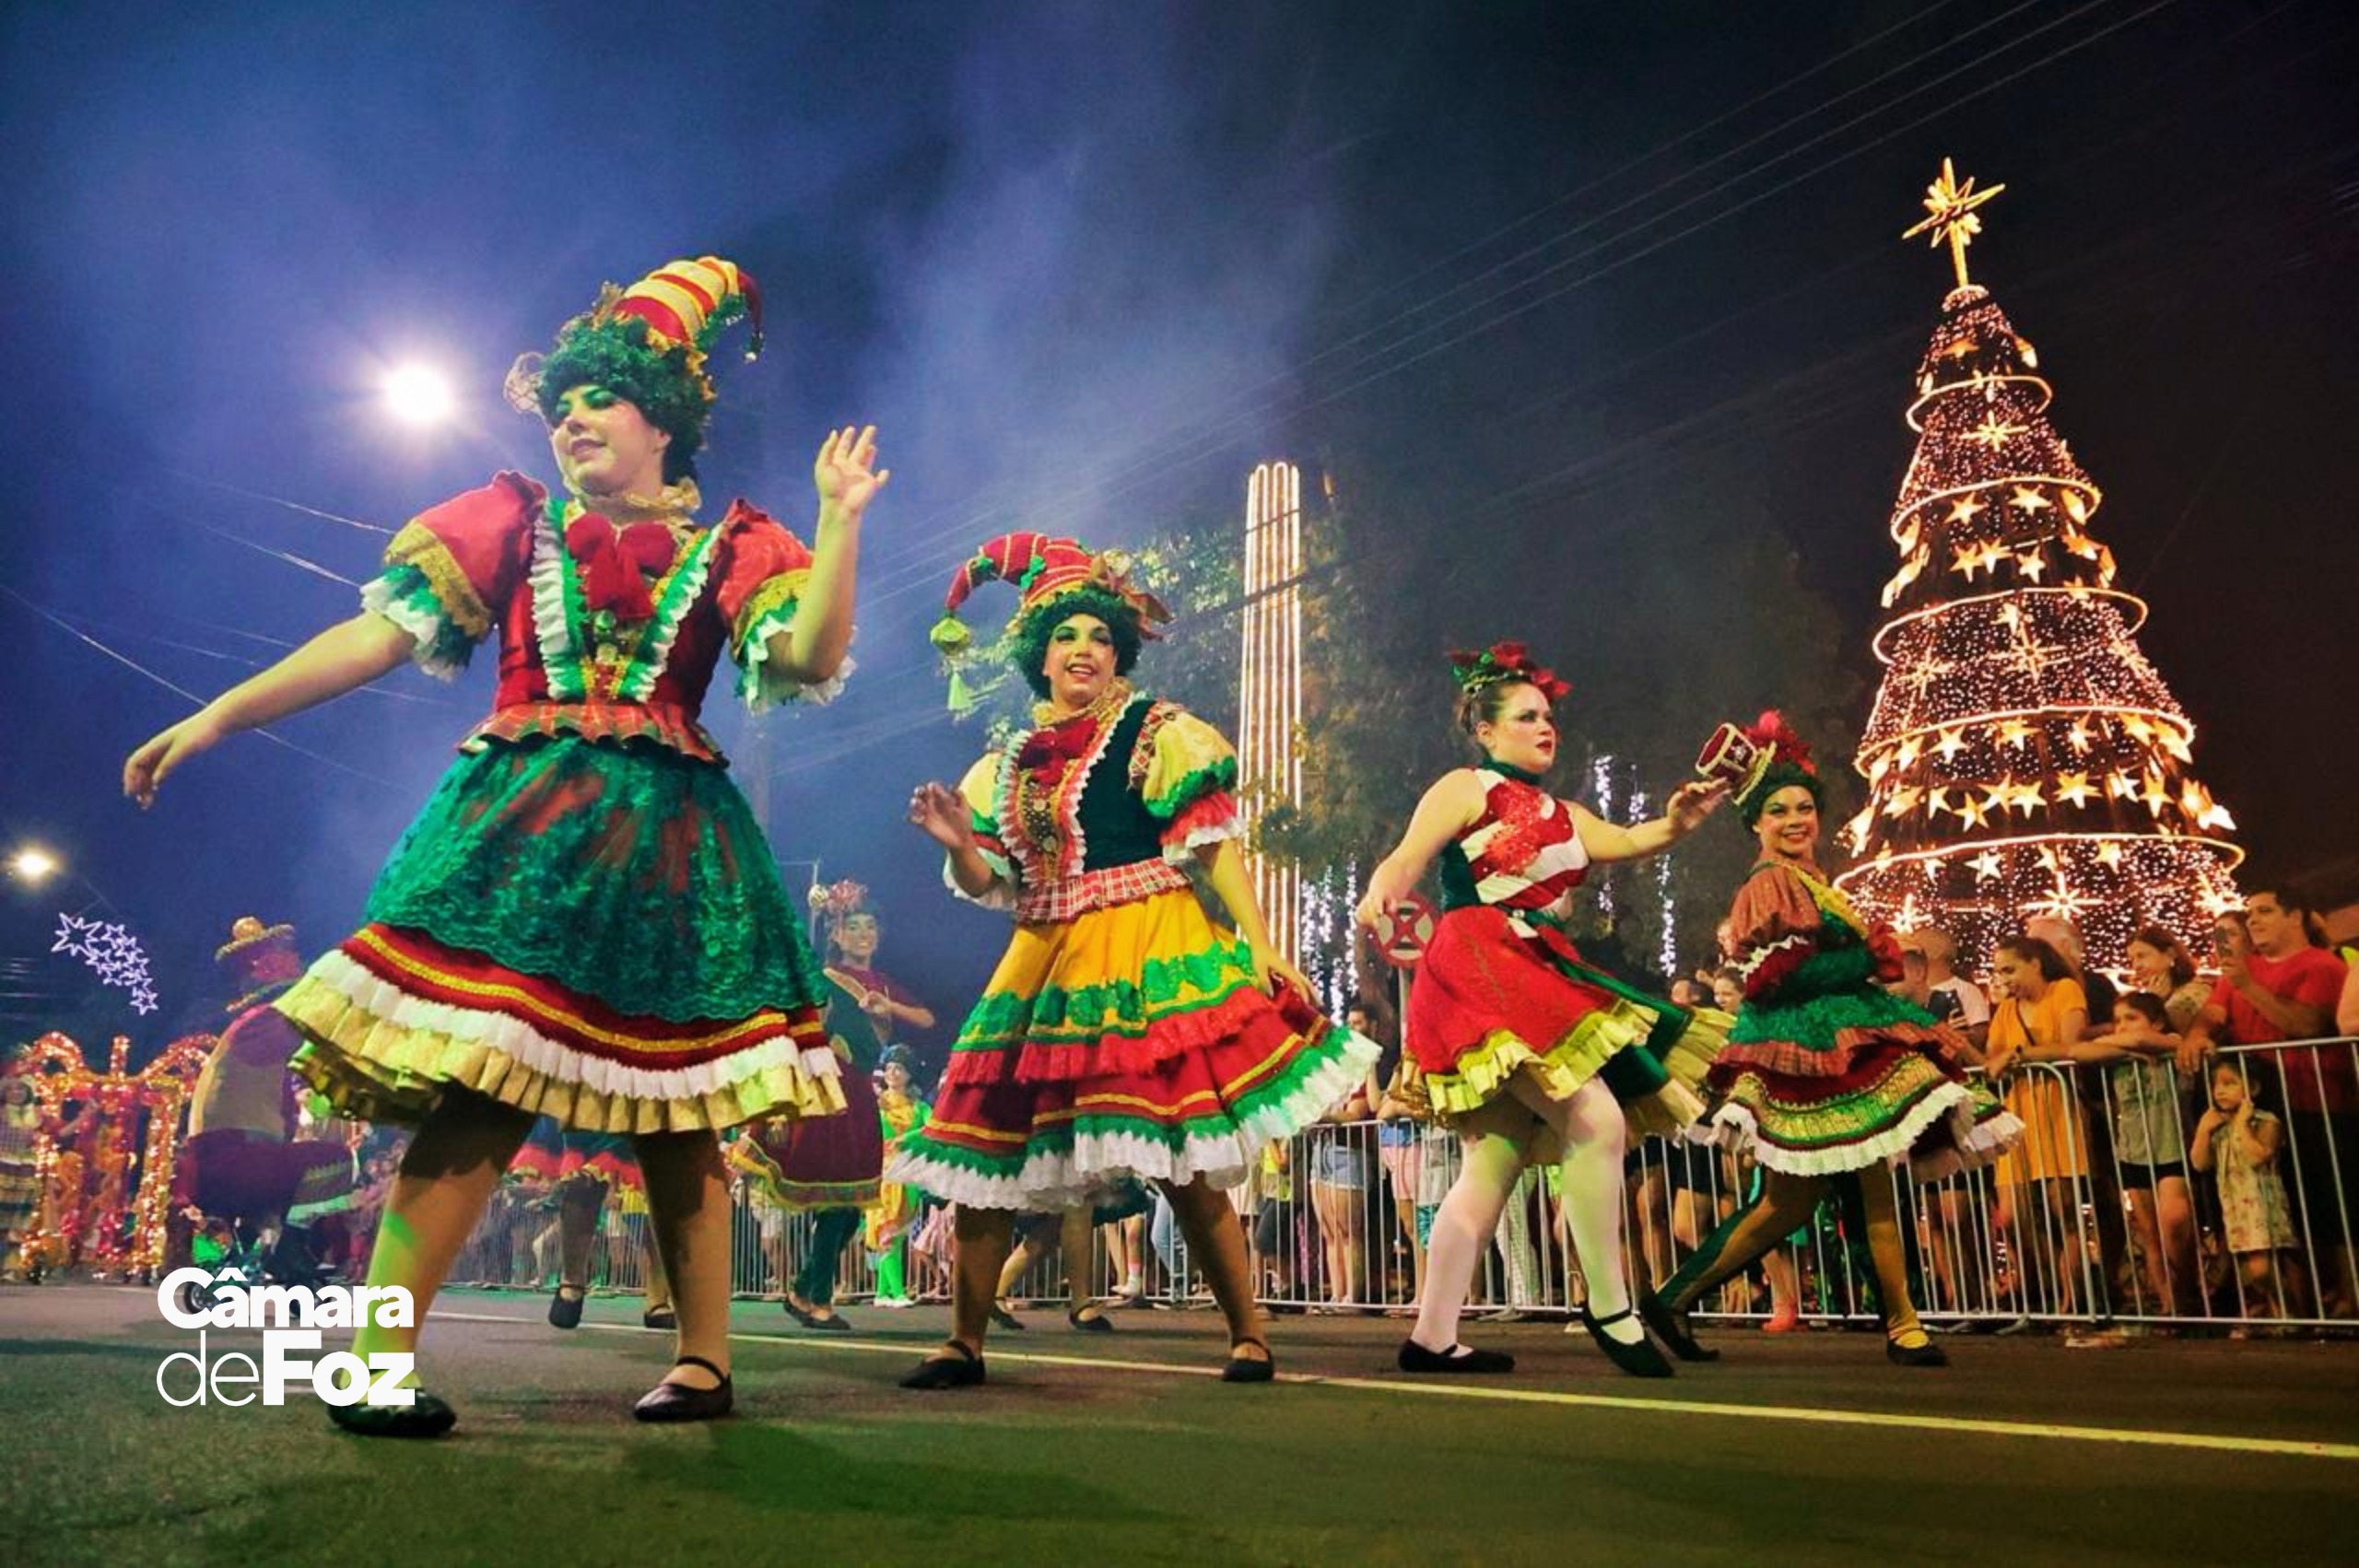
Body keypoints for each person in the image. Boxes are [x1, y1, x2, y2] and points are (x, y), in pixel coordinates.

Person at [123, 256, 881, 1434]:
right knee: (481, 1086)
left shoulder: (740, 543)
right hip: (522, 836)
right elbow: (374, 636)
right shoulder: (511, 522)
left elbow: (806, 658)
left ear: (662, 418)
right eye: (563, 400)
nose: (573, 416)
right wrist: (220, 713)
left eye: (601, 398)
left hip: (672, 851)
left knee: (677, 1104)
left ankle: (704, 1360)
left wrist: (837, 527)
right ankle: (374, 1362)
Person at [888, 531, 1377, 1387]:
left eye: (1101, 637)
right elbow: (987, 877)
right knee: (985, 1144)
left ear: (1119, 654)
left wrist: (1259, 943)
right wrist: (959, 842)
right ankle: (963, 1340)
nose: (1085, 649)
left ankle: (1247, 1334)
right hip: (1042, 954)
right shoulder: (1004, 766)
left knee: (1180, 1148)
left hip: (1146, 937)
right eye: (1068, 637)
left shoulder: (1156, 732)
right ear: (1040, 657)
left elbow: (1215, 846)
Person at [1356, 642, 1730, 1377]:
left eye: (1549, 716)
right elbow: (1408, 854)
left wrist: (1680, 822)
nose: (1544, 726)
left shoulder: (1565, 812)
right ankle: (1609, 1304)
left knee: (1492, 1163)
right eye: (1527, 716)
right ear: (1486, 730)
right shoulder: (1467, 786)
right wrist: (1382, 891)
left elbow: (1627, 840)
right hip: (1479, 960)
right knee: (1596, 1119)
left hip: (1535, 965)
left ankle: (1431, 1337)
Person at [1645, 713, 2018, 1367]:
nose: (1796, 819)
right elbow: (1769, 977)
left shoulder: (1814, 881)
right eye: (1780, 810)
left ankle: (1902, 1324)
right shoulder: (1769, 884)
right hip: (1806, 1051)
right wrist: (1864, 961)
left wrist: (1865, 964)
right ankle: (1678, 1297)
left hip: (1843, 1044)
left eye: (1805, 807)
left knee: (1853, 1188)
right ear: (1756, 823)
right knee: (1787, 1202)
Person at [2180, 886, 2352, 1315]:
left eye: (2265, 911)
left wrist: (2249, 987)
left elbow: (2307, 1024)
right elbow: (2214, 1013)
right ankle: (2299, 1308)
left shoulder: (2321, 965)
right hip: (2258, 1109)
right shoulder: (2243, 970)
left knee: (2327, 1212)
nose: (2253, 920)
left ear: (2296, 917)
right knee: (2281, 1213)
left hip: (2314, 1103)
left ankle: (2347, 1299)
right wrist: (2198, 1035)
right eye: (2250, 913)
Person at [1984, 934, 2094, 1319]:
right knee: (2014, 1216)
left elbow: (2071, 1046)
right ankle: (2044, 1289)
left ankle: (2074, 1301)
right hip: (2018, 1113)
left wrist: (2020, 1055)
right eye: (1998, 971)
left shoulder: (2064, 991)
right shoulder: (2005, 1010)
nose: (2004, 978)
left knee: (2062, 1207)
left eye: (2010, 969)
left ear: (2036, 963)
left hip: (2057, 1107)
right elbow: (1990, 1060)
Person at [2073, 992, 2197, 1317]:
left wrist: (2133, 1043)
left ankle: (2185, 1289)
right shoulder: (2116, 1052)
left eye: (2131, 1018)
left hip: (2170, 1145)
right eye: (2117, 1021)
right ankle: (2169, 1303)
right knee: (2150, 1234)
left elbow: (2145, 1038)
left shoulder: (2169, 1041)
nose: (2123, 1027)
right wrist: (2121, 1046)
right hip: (2133, 1150)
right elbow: (2077, 1050)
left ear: (2156, 1020)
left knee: (2175, 1218)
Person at [2191, 1059, 2306, 1320]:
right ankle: (2284, 1316)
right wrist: (2203, 1131)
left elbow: (2257, 1155)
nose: (2219, 1091)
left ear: (2252, 1089)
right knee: (2252, 1269)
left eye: (2229, 1083)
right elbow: (2200, 1163)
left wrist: (2242, 1124)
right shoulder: (2217, 1126)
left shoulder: (2266, 1121)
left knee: (2263, 1268)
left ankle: (2293, 1310)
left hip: (2263, 1203)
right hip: (2235, 1206)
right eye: (2215, 1085)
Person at [866, 1046, 931, 1308]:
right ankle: (898, 1292)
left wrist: (907, 1137)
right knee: (887, 1232)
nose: (893, 1072)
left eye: (899, 1068)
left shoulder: (919, 1106)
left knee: (899, 1230)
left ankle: (882, 1293)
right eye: (890, 1067)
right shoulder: (876, 1103)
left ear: (909, 1074)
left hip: (908, 1173)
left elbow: (934, 1126)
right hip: (883, 1173)